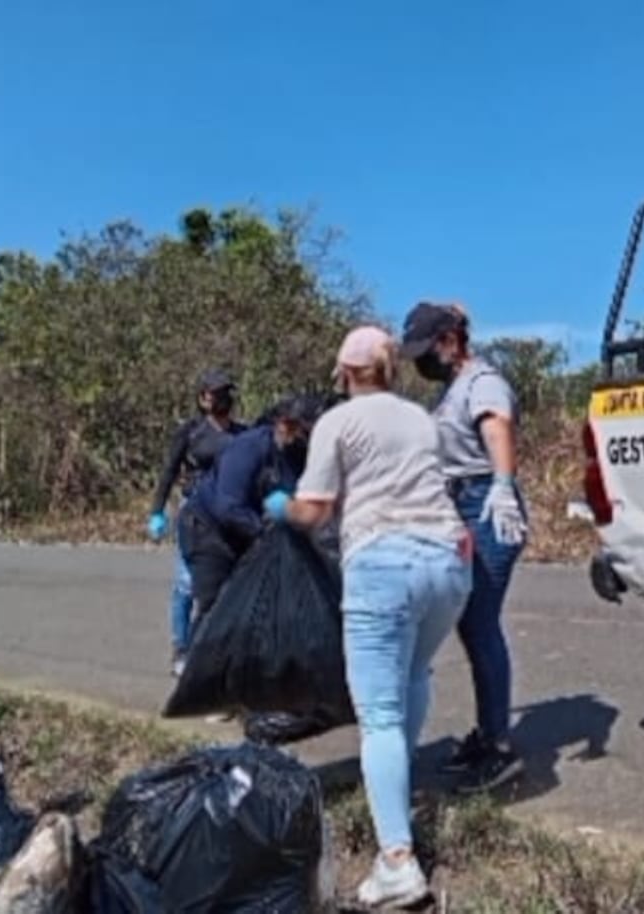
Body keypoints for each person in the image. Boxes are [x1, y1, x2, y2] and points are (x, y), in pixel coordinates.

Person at [263, 325, 472, 907]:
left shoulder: (338, 421)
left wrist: (281, 507)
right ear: (389, 368)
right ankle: (395, 787)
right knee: (415, 677)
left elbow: (316, 510)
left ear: (346, 372)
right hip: (449, 563)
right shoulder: (418, 418)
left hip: (384, 564)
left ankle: (397, 862)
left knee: (378, 714)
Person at [400, 301, 529, 793]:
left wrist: (501, 484)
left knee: (479, 622)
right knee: (471, 627)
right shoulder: (453, 388)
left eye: (426, 350)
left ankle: (498, 749)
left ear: (450, 342)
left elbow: (497, 428)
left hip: (487, 506)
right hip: (461, 509)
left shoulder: (482, 382)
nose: (420, 362)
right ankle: (488, 732)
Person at [177, 392, 324, 627]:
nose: (309, 439)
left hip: (250, 534)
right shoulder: (249, 446)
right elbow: (227, 506)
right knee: (215, 606)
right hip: (208, 531)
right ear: (285, 425)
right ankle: (193, 658)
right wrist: (263, 530)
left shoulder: (298, 456)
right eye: (306, 432)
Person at [146, 369, 246, 676]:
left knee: (223, 586)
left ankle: (212, 650)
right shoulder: (191, 432)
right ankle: (181, 646)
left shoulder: (243, 434)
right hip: (195, 513)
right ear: (203, 398)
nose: (223, 398)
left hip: (229, 514)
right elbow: (169, 471)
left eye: (227, 392)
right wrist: (157, 511)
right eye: (216, 393)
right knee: (187, 583)